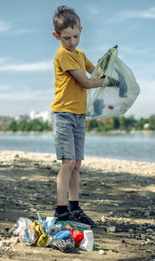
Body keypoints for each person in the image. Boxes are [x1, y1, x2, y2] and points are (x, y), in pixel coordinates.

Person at [50, 5, 118, 227]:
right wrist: (107, 81)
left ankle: (75, 208)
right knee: (67, 162)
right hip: (63, 115)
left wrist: (109, 64)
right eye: (66, 38)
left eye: (75, 36)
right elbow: (88, 82)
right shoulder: (64, 55)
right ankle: (61, 211)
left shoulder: (80, 54)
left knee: (77, 163)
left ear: (81, 30)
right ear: (57, 36)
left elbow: (95, 72)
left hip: (79, 115)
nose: (71, 42)